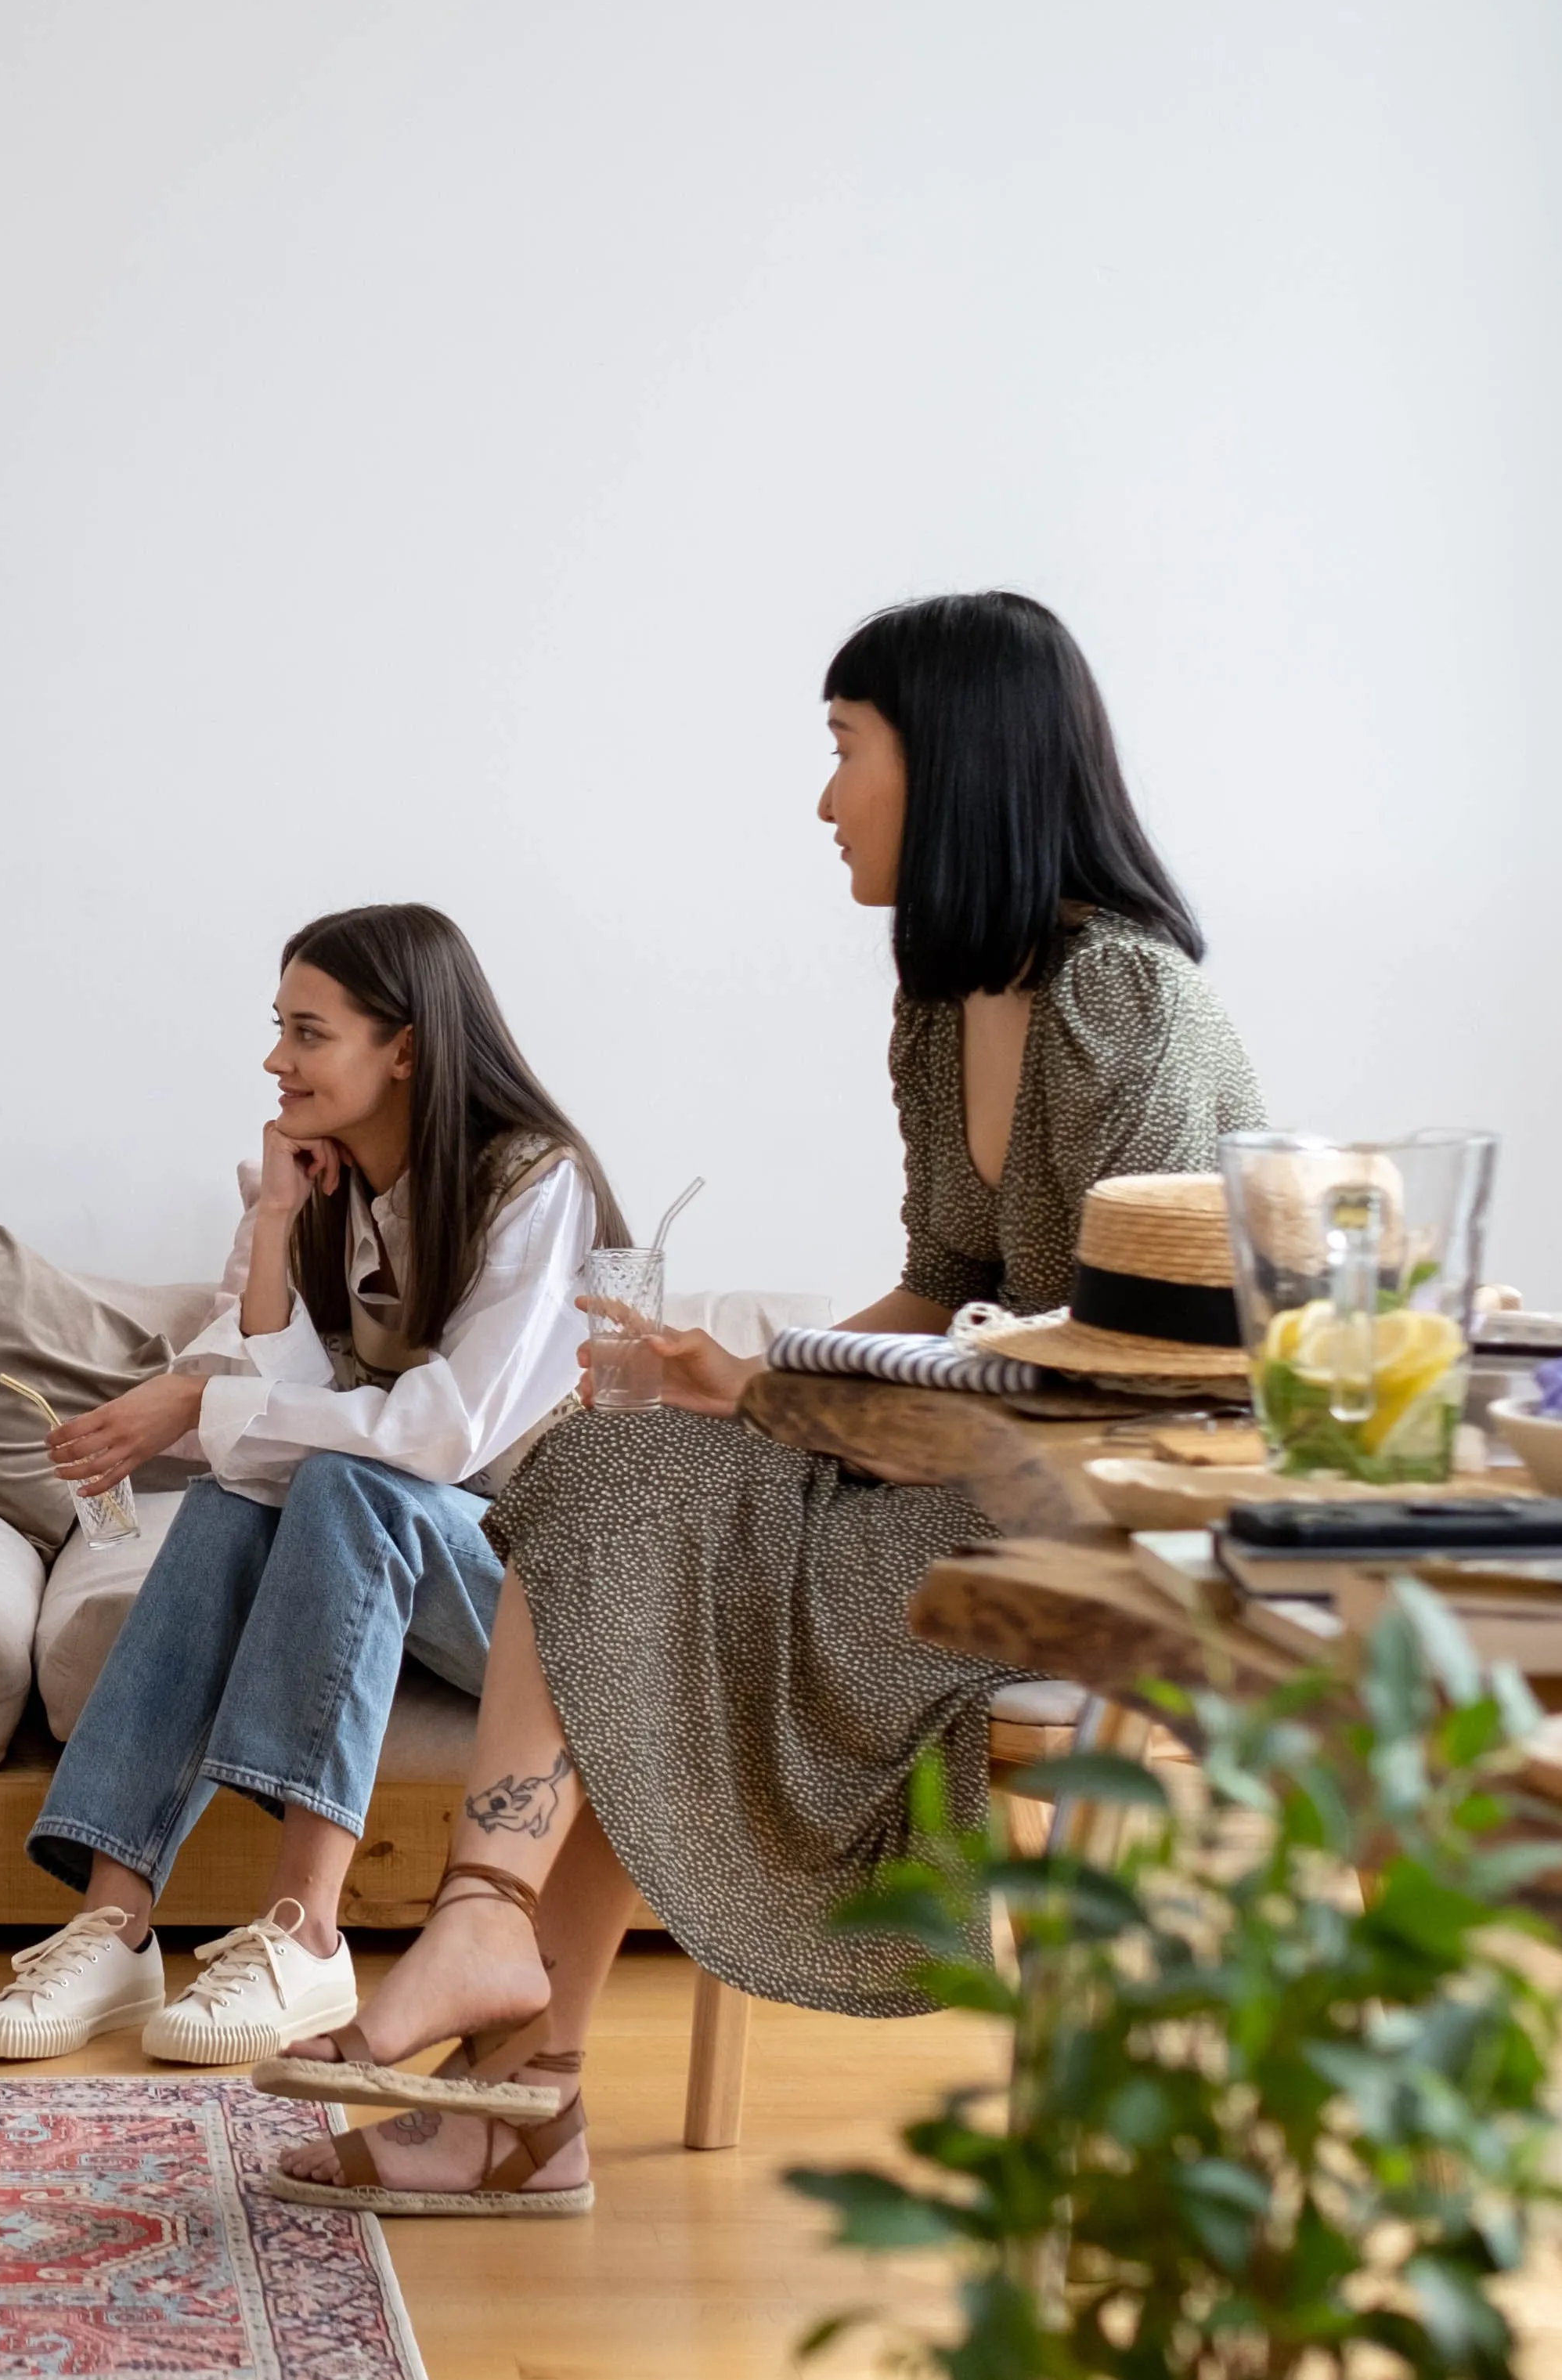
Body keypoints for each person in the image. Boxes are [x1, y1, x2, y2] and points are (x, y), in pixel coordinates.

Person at [247, 594, 1268, 2219]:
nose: (824, 798)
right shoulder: (944, 1012)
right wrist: (723, 1387)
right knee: (603, 1470)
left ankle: (515, 2069)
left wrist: (779, 1390)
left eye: (845, 750)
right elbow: (945, 1274)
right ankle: (501, 1987)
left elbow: (1120, 1351)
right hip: (963, 1474)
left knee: (644, 1548)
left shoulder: (1120, 1004)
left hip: (1094, 1520)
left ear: (956, 764)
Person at [0, 904, 620, 2070]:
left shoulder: (536, 1185)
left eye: (307, 1032)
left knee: (342, 1488)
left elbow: (442, 1435)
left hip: (550, 1605)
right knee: (238, 1499)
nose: (275, 1060)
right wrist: (275, 1223)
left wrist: (195, 1406)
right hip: (406, 1564)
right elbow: (276, 1394)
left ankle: (303, 1932)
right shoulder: (331, 1186)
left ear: (404, 1047)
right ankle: (114, 1924)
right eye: (278, 1029)